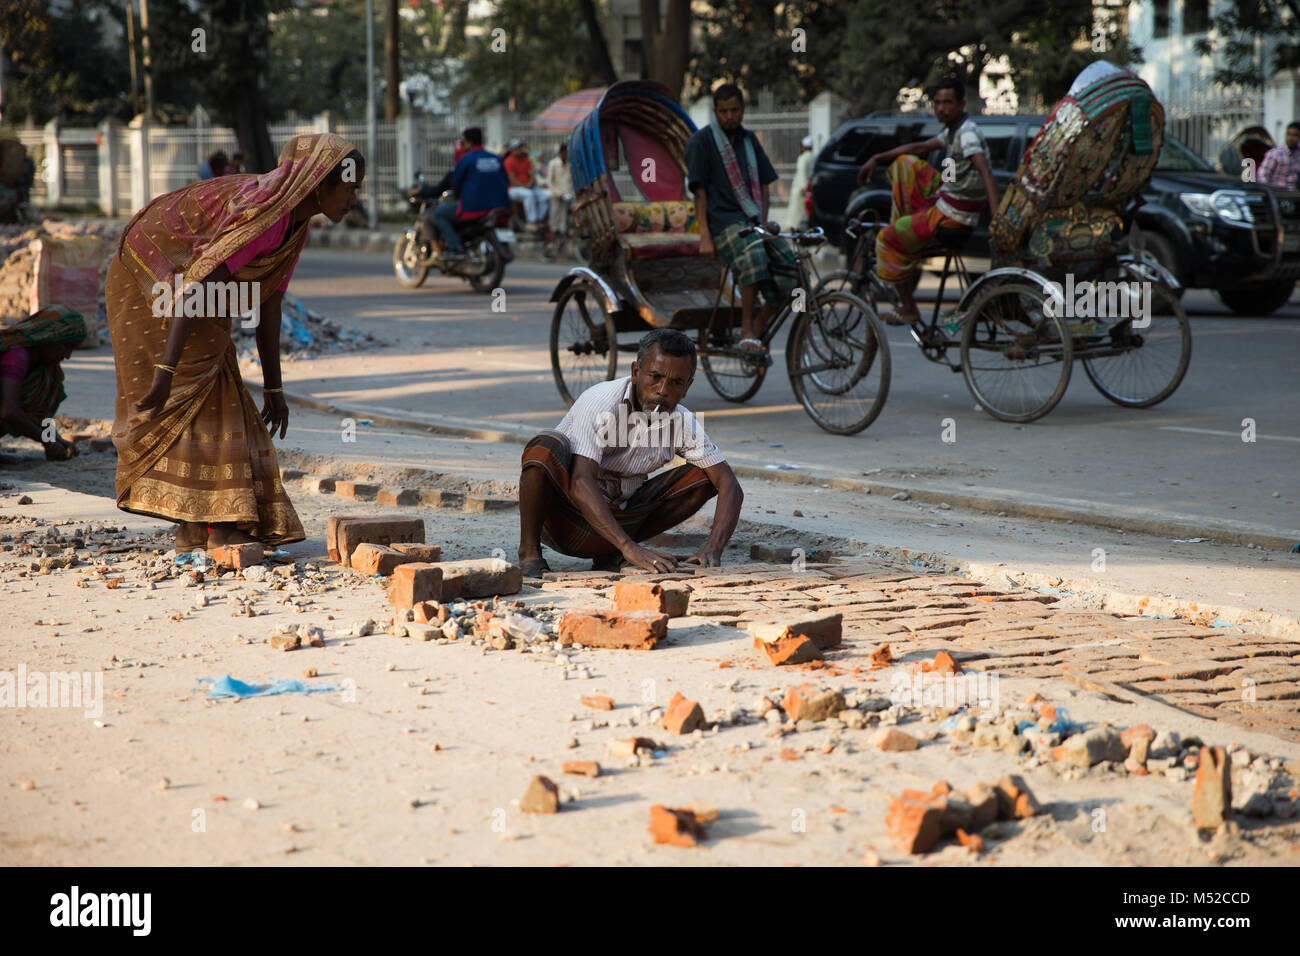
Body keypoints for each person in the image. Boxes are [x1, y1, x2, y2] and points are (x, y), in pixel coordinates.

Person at [107, 132, 364, 552]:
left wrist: (275, 389)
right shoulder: (264, 219)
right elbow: (194, 290)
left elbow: (269, 304)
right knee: (206, 387)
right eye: (350, 189)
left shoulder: (294, 226)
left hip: (190, 284)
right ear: (319, 185)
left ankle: (196, 528)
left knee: (217, 381)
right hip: (148, 274)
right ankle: (220, 523)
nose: (354, 199)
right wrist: (165, 373)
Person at [517, 328, 744, 576]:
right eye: (655, 377)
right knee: (545, 446)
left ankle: (609, 554)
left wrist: (713, 548)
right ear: (636, 372)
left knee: (705, 476)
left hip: (621, 520)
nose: (663, 390)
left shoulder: (682, 421)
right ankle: (529, 552)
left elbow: (729, 484)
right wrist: (630, 548)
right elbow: (581, 482)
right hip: (564, 518)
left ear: (688, 386)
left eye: (676, 382)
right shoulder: (601, 403)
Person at [856, 77, 1000, 327]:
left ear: (961, 104)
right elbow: (922, 147)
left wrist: (998, 218)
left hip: (952, 216)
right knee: (905, 163)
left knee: (885, 239)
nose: (941, 108)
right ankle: (907, 226)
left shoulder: (966, 135)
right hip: (947, 199)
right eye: (937, 103)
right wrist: (878, 157)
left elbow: (986, 171)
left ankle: (909, 308)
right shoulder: (955, 130)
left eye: (948, 103)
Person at [685, 83, 797, 367]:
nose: (730, 116)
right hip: (722, 224)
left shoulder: (749, 140)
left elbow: (765, 183)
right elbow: (700, 193)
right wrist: (705, 237)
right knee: (753, 253)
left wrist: (764, 219)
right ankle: (746, 330)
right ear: (715, 112)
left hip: (752, 221)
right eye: (723, 111)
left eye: (735, 110)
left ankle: (757, 327)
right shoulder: (702, 142)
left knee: (790, 266)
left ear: (743, 110)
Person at [0, 305, 85, 461]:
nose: (67, 355)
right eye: (65, 346)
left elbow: (42, 414)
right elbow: (8, 411)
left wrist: (57, 440)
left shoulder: (45, 368)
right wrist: (48, 441)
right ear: (49, 336)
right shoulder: (16, 356)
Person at [430, 126, 510, 262]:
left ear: (468, 142)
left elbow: (456, 184)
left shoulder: (466, 159)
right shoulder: (496, 159)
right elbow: (506, 181)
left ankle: (455, 248)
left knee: (438, 213)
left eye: (463, 142)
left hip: (473, 208)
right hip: (500, 207)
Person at [504, 138, 549, 229]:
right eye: (517, 148)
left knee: (547, 195)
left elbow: (532, 174)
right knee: (529, 195)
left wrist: (530, 183)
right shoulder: (508, 161)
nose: (520, 150)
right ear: (512, 150)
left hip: (528, 187)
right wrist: (525, 186)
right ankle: (531, 221)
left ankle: (539, 219)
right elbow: (512, 180)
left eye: (520, 147)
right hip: (514, 189)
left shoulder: (526, 159)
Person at [544, 143, 574, 255]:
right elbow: (549, 181)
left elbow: (571, 182)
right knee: (554, 221)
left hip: (567, 197)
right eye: (565, 153)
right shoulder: (553, 164)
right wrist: (557, 193)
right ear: (561, 153)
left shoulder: (570, 165)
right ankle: (552, 245)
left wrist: (571, 194)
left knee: (565, 222)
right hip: (556, 197)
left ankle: (562, 244)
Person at [783, 135, 815, 230]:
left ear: (803, 147)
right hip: (810, 188)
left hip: (801, 190)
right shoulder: (814, 156)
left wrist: (803, 187)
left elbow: (802, 173)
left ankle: (796, 230)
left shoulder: (803, 158)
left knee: (797, 212)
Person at [1259, 122, 1300, 190]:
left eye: (1294, 135)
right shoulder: (1275, 154)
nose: (1290, 138)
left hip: (1295, 195)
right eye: (1288, 134)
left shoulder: (1298, 155)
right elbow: (1262, 175)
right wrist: (1269, 192)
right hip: (1278, 195)